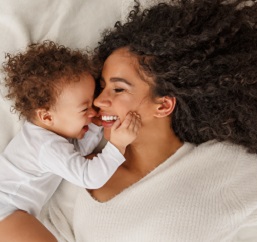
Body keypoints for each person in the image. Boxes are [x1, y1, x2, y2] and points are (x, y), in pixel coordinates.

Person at [39, 0, 257, 241]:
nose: (99, 101)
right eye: (102, 87)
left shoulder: (223, 166)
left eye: (119, 89)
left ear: (163, 105)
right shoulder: (79, 165)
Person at [0, 41, 141, 241]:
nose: (93, 112)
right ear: (47, 116)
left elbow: (77, 153)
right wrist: (117, 145)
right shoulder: (46, 146)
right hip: (6, 211)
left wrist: (95, 124)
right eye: (85, 110)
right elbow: (87, 175)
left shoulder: (46, 135)